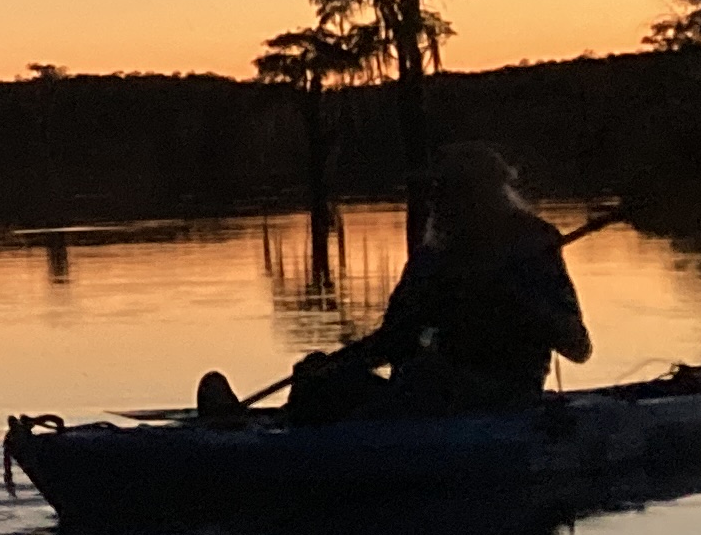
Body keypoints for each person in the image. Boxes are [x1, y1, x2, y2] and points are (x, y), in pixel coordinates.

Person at [206, 145, 592, 428]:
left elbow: (578, 346)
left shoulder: (532, 241)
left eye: (455, 191)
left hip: (503, 397)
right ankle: (258, 429)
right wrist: (330, 367)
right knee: (319, 379)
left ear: (489, 194)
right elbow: (393, 340)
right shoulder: (434, 255)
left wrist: (510, 297)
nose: (441, 203)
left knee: (423, 380)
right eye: (440, 192)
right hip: (429, 390)